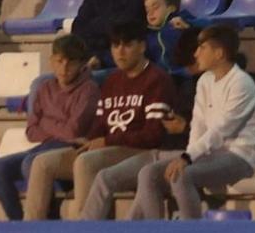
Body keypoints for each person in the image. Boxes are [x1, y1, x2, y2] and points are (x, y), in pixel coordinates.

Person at [128, 25, 255, 220]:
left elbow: (220, 131)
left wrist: (187, 158)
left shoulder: (241, 83)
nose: (196, 53)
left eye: (202, 48)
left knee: (182, 175)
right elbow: (199, 125)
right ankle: (154, 232)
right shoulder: (204, 81)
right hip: (210, 154)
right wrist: (188, 155)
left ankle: (191, 232)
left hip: (240, 157)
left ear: (219, 53)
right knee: (148, 174)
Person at [67, 23, 178, 221]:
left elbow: (153, 136)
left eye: (126, 45)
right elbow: (101, 122)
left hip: (140, 150)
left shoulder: (157, 79)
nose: (120, 51)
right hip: (111, 147)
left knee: (86, 163)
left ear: (142, 46)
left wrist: (107, 141)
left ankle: (84, 232)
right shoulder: (112, 80)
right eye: (115, 46)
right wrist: (89, 140)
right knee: (42, 163)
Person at [0, 32, 96, 222]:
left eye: (71, 62)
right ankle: (19, 224)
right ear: (52, 61)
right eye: (60, 61)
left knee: (32, 163)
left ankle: (49, 221)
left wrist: (45, 123)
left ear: (81, 64)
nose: (64, 68)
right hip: (44, 146)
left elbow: (74, 131)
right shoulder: (45, 88)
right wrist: (57, 127)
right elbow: (31, 131)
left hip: (72, 150)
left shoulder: (89, 89)